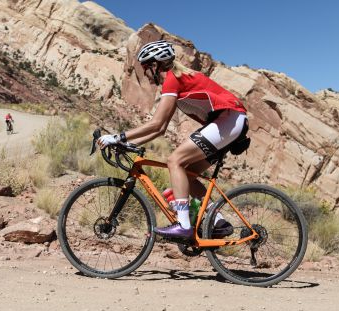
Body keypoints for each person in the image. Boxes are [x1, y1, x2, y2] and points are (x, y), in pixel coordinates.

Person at [97, 40, 248, 239]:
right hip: (231, 121)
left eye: (145, 68)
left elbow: (155, 123)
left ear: (154, 65)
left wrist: (117, 137)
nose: (145, 74)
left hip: (230, 118)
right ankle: (218, 221)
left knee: (174, 161)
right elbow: (160, 130)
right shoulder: (177, 79)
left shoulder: (171, 79)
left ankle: (184, 225)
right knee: (186, 173)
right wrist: (128, 143)